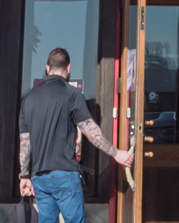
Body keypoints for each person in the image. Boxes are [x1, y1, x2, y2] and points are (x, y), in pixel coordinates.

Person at [18, 48, 133, 223]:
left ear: (47, 68)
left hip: (39, 177)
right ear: (68, 68)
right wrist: (117, 153)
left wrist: (24, 175)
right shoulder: (72, 95)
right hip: (65, 175)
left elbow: (24, 143)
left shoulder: (29, 99)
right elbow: (90, 132)